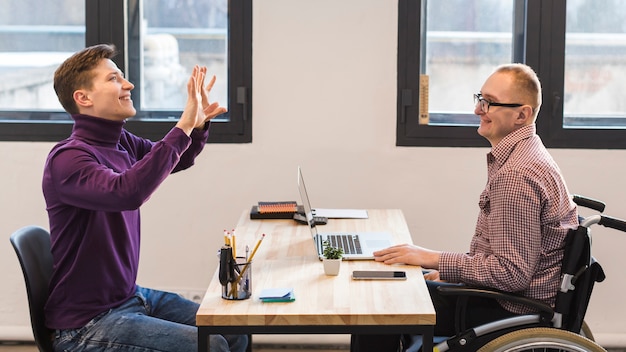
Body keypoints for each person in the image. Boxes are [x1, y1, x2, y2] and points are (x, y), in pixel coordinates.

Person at [350, 63, 579, 352]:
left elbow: (511, 273)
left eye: (490, 103)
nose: (478, 110)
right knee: (393, 280)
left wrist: (433, 258)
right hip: (503, 297)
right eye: (480, 99)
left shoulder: (517, 176)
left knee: (381, 302)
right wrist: (450, 271)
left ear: (522, 114)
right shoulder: (524, 156)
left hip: (508, 309)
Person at [42, 44, 248, 352]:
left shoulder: (120, 140)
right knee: (212, 345)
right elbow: (128, 192)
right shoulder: (70, 159)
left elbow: (174, 159)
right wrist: (183, 125)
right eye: (113, 79)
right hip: (86, 325)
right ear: (83, 98)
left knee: (233, 330)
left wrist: (199, 123)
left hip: (129, 297)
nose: (128, 85)